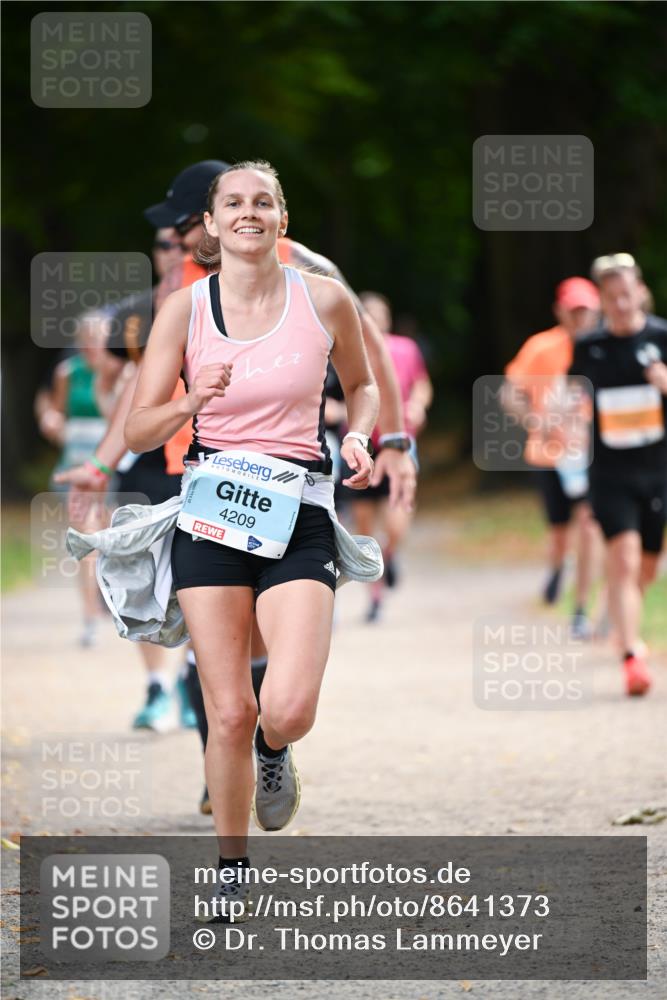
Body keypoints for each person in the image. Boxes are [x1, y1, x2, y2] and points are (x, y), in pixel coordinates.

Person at [124, 160, 379, 910]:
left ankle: (276, 752)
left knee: (286, 706)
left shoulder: (325, 300)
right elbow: (140, 423)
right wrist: (188, 402)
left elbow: (361, 387)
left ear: (280, 218)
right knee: (228, 706)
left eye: (261, 202)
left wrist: (362, 439)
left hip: (298, 511)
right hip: (210, 513)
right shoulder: (183, 310)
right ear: (208, 224)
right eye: (232, 203)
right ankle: (231, 869)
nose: (247, 213)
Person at [569, 253, 667, 695]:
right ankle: (631, 659)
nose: (622, 304)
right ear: (603, 302)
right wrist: (563, 416)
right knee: (624, 559)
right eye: (612, 298)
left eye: (627, 294)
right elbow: (571, 397)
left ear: (640, 291)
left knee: (647, 567)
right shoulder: (589, 346)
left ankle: (625, 621)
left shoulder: (663, 337)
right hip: (610, 475)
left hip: (658, 473)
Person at [503, 277, 602, 638]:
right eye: (574, 310)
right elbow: (510, 393)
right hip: (548, 454)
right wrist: (535, 421)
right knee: (560, 531)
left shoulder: (604, 347)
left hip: (592, 455)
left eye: (587, 310)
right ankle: (558, 568)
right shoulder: (541, 347)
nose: (581, 317)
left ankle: (580, 609)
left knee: (589, 525)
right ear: (561, 310)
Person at [340, 290, 432, 622]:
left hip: (399, 443)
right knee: (365, 525)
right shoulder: (348, 351)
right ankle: (375, 597)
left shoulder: (406, 349)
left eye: (380, 314)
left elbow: (422, 383)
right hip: (362, 446)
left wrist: (419, 403)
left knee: (396, 522)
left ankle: (390, 555)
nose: (375, 320)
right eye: (369, 314)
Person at [36, 311, 122, 646]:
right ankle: (89, 617)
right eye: (84, 340)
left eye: (97, 340)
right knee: (86, 539)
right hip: (76, 464)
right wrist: (52, 421)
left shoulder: (121, 374)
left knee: (111, 537)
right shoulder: (67, 373)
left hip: (112, 464)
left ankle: (112, 602)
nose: (90, 347)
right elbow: (56, 412)